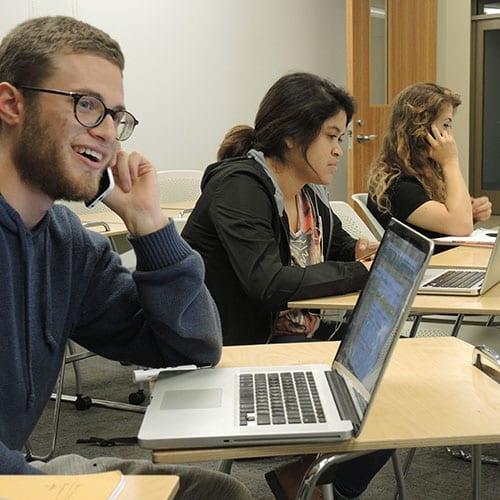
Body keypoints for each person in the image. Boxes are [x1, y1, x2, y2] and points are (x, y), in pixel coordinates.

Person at [0, 16, 251, 499]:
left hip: (19, 474)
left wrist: (149, 224)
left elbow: (193, 346)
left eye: (115, 115)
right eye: (87, 105)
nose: (108, 132)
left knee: (217, 494)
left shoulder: (65, 244)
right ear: (12, 103)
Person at [182, 72, 389, 499]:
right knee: (381, 386)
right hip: (235, 350)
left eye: (342, 138)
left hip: (289, 335)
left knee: (394, 365)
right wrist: (362, 272)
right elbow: (269, 282)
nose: (339, 150)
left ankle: (310, 477)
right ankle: (319, 481)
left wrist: (362, 250)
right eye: (332, 136)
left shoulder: (308, 194)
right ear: (293, 137)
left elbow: (339, 246)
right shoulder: (240, 186)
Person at [367, 82, 491, 244]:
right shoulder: (397, 184)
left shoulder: (427, 171)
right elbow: (460, 225)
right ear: (421, 127)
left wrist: (471, 212)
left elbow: (457, 222)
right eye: (445, 124)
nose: (449, 135)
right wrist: (450, 162)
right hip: (430, 267)